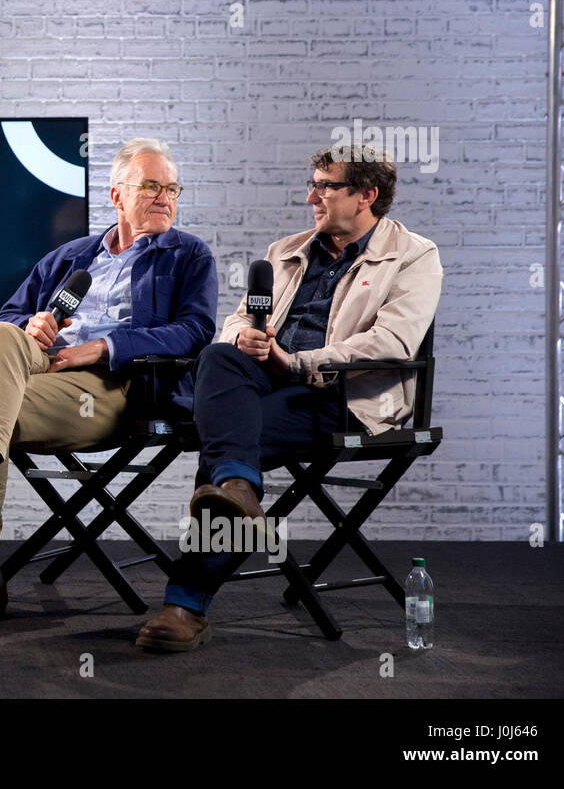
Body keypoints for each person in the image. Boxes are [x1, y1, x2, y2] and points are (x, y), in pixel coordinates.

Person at [137, 145, 443, 652]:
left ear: (366, 195)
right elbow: (237, 318)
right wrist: (247, 337)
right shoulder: (286, 250)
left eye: (325, 186)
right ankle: (239, 487)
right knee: (217, 358)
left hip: (344, 398)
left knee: (231, 438)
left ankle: (186, 601)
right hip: (266, 383)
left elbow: (392, 344)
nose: (311, 196)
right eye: (314, 184)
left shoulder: (414, 256)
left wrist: (296, 362)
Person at [0, 138, 218, 626]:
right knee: (1, 334)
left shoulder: (188, 255)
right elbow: (8, 315)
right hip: (42, 366)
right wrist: (33, 326)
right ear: (117, 195)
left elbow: (196, 330)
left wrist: (102, 347)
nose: (166, 198)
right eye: (152, 186)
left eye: (173, 188)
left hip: (115, 385)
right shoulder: (71, 256)